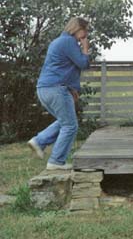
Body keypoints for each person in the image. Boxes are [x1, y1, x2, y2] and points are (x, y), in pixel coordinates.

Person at [28, 17, 91, 170]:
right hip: (56, 89)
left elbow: (63, 68)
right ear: (77, 28)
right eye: (85, 30)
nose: (86, 34)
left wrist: (71, 89)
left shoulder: (59, 41)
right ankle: (56, 161)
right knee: (70, 126)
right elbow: (83, 64)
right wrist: (85, 49)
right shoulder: (69, 42)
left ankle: (39, 141)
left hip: (45, 89)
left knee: (65, 121)